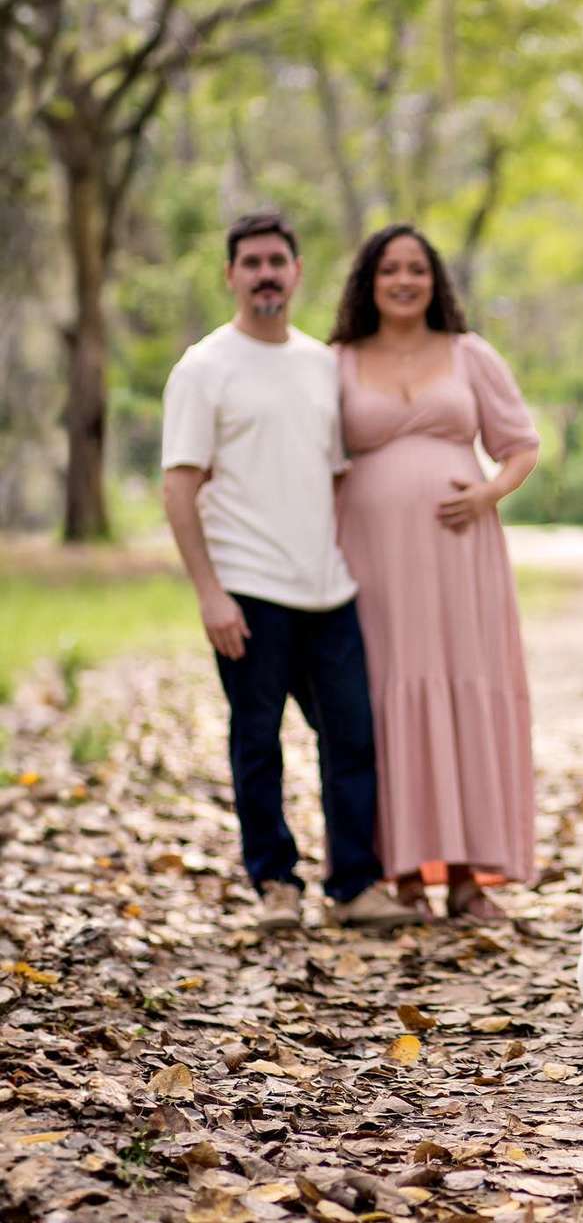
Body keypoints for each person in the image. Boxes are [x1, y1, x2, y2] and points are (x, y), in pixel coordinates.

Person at [161, 208, 409, 933]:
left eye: (278, 261)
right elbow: (179, 489)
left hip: (327, 588)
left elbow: (333, 479)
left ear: (297, 273)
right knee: (258, 739)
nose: (266, 274)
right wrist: (210, 594)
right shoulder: (205, 366)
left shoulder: (320, 364)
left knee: (353, 735)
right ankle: (275, 883)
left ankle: (355, 885)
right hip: (248, 589)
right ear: (231, 275)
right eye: (252, 263)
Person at [330, 224, 540, 922]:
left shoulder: (468, 354)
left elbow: (520, 445)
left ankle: (466, 877)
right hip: (371, 559)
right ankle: (401, 874)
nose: (403, 280)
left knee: (462, 691)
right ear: (369, 280)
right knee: (383, 700)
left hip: (461, 559)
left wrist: (485, 493)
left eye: (416, 268)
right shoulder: (337, 360)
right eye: (389, 268)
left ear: (433, 280)